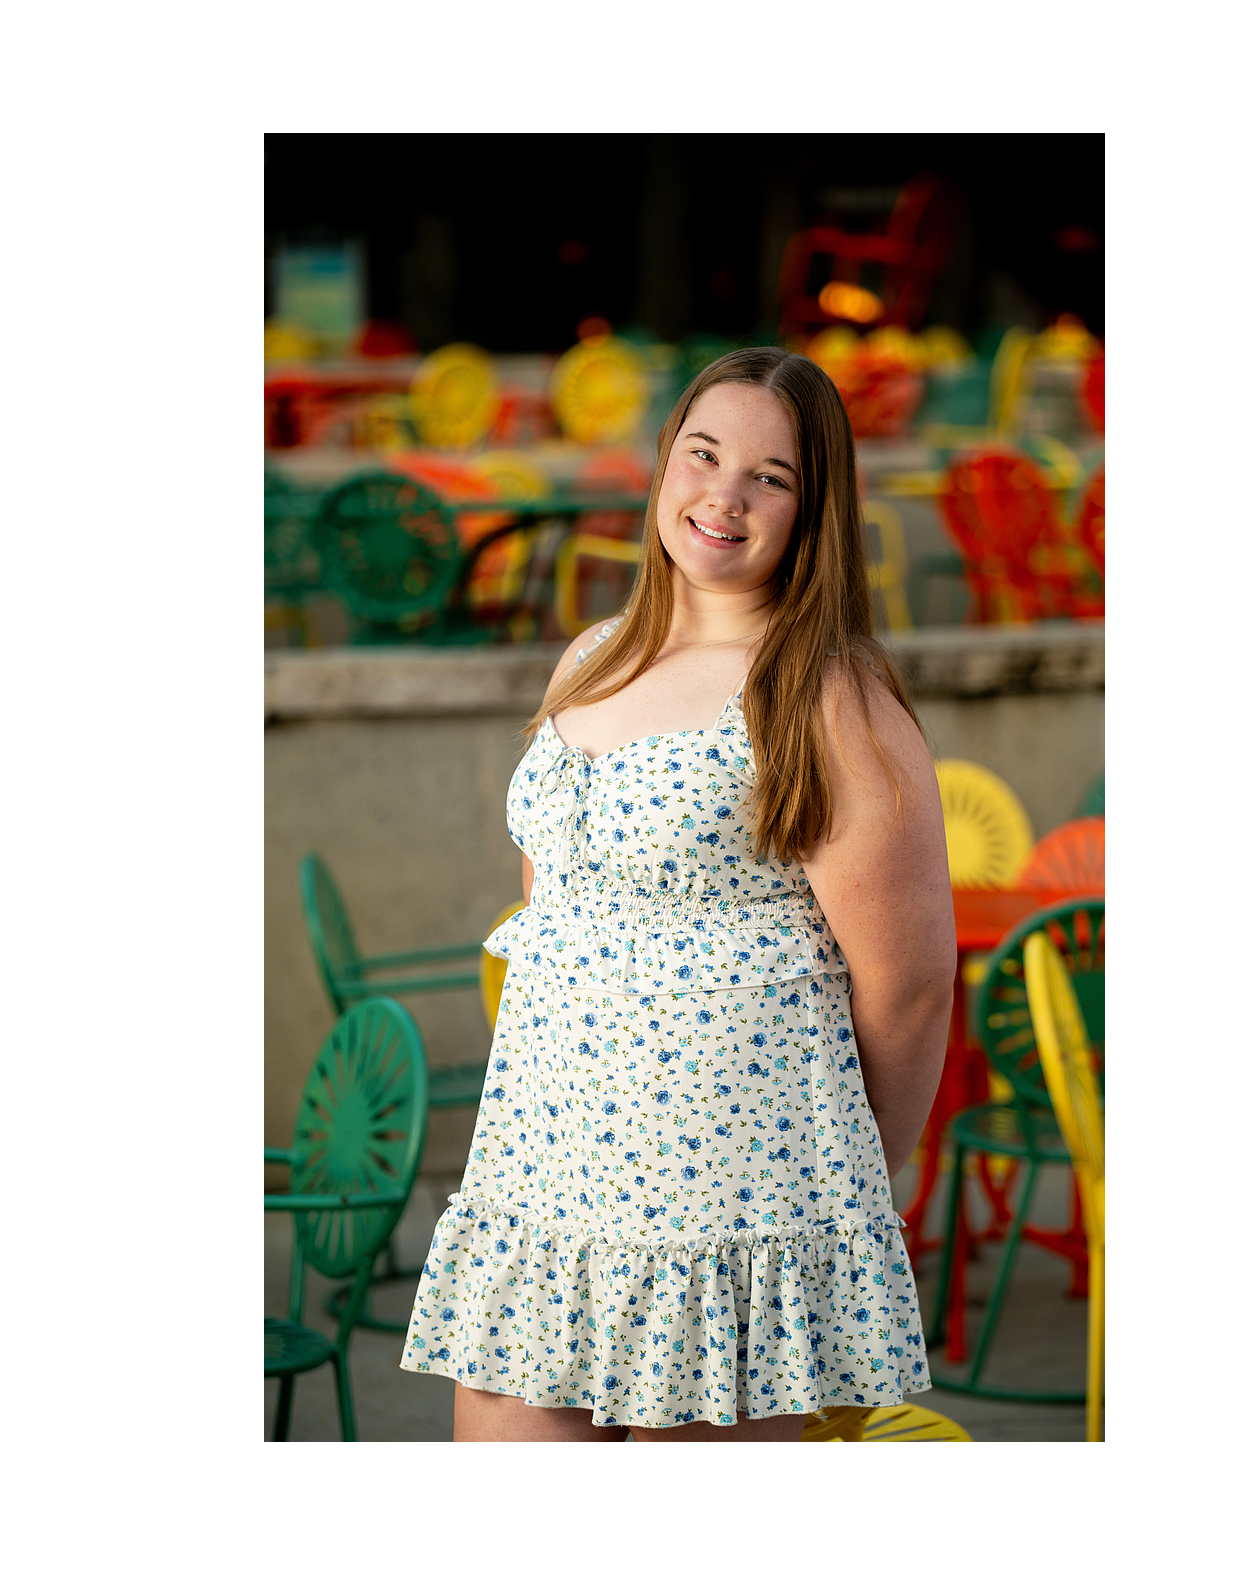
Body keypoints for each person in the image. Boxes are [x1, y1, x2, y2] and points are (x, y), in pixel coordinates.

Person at [401, 347, 956, 1442]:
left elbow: (909, 989)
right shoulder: (592, 656)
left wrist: (833, 1201)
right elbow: (554, 902)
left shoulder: (822, 697)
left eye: (770, 477)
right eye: (703, 455)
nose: (724, 495)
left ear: (812, 510)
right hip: (545, 1181)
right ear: (664, 464)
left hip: (732, 1218)